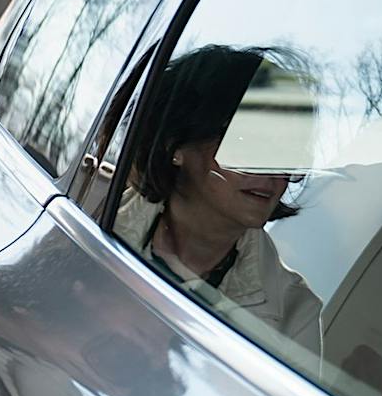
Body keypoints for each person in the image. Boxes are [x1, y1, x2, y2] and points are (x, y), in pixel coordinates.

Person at [116, 44, 322, 362]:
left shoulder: (296, 314)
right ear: (176, 144)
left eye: (288, 150)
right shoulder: (89, 215)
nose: (274, 169)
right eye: (250, 142)